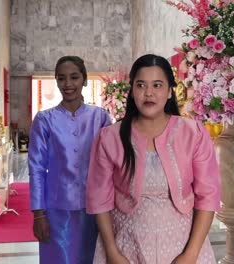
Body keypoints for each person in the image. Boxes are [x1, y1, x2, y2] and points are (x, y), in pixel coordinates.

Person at [86, 54, 221, 263]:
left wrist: (190, 255)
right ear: (132, 91)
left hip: (184, 248)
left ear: (169, 92)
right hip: (127, 248)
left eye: (157, 85)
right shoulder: (110, 137)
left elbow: (208, 196)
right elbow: (99, 199)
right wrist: (112, 252)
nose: (149, 93)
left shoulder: (193, 133)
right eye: (141, 85)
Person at [28, 55, 111, 263]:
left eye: (74, 77)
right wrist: (39, 215)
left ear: (84, 80)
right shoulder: (44, 120)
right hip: (56, 210)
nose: (68, 84)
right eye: (61, 78)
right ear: (56, 81)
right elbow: (36, 168)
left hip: (94, 209)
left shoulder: (99, 117)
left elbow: (110, 165)